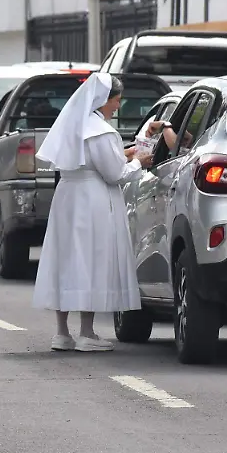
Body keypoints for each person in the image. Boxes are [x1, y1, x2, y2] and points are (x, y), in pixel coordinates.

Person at [32, 73, 154, 352]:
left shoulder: (74, 124)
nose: (118, 107)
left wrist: (126, 153)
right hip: (93, 200)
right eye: (117, 101)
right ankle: (87, 332)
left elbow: (91, 161)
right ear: (104, 100)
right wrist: (138, 162)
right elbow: (113, 174)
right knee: (90, 260)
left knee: (66, 260)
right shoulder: (101, 131)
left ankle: (62, 333)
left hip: (68, 196)